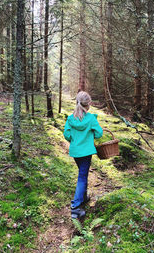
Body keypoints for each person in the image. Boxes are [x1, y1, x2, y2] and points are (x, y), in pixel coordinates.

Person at [63, 91, 103, 219]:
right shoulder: (91, 118)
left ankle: (83, 197)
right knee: (82, 176)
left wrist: (75, 141)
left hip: (75, 152)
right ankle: (75, 208)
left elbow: (67, 135)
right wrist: (90, 136)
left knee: (82, 173)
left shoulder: (70, 118)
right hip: (86, 152)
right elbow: (99, 133)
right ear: (88, 104)